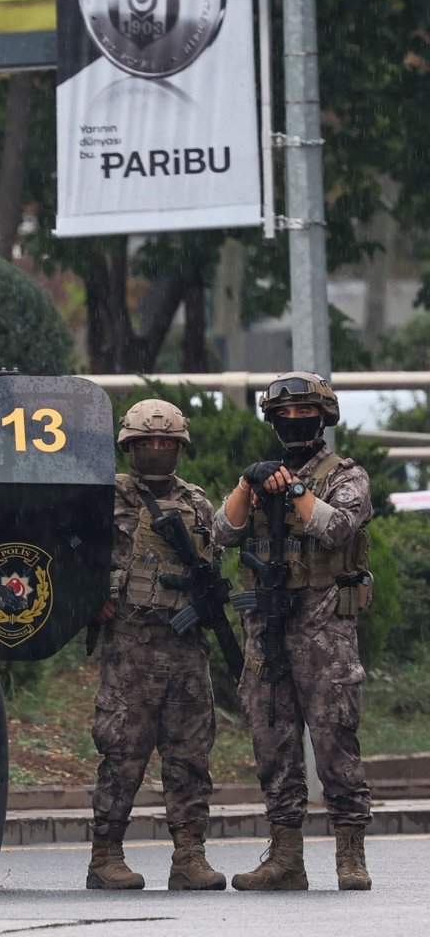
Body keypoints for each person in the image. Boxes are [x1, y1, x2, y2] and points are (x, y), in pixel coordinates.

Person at [214, 372, 373, 891]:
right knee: (272, 742)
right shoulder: (263, 478)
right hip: (268, 631)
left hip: (325, 632)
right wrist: (247, 485)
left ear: (324, 419)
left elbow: (336, 528)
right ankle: (286, 858)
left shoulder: (345, 477)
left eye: (305, 415)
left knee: (334, 741)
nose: (295, 422)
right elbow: (222, 532)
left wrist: (297, 488)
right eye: (285, 416)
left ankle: (350, 855)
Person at [86, 399, 225, 891]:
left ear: (179, 447)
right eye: (147, 443)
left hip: (187, 649)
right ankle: (105, 856)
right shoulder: (107, 499)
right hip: (132, 650)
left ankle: (190, 856)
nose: (157, 450)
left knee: (190, 757)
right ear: (130, 446)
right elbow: (71, 554)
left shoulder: (198, 503)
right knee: (122, 754)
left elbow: (214, 563)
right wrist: (91, 599)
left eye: (165, 443)